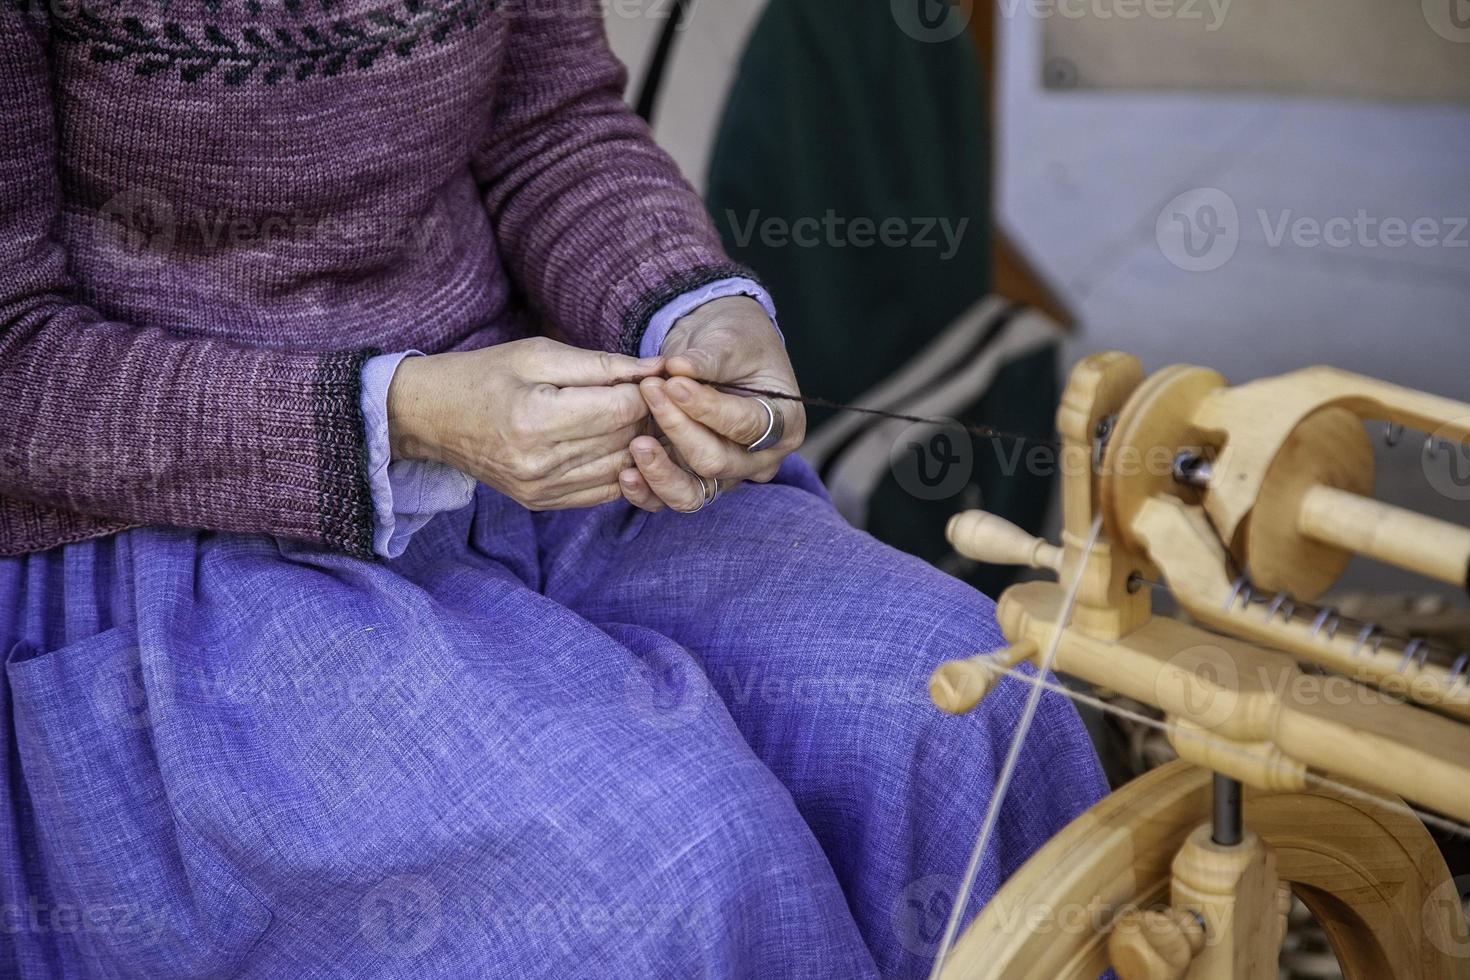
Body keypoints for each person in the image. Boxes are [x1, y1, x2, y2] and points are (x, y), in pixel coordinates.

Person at [0, 1, 1105, 975]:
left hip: (540, 450)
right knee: (670, 868)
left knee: (962, 695)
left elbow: (550, 128)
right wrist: (403, 413)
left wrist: (698, 307)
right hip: (174, 532)